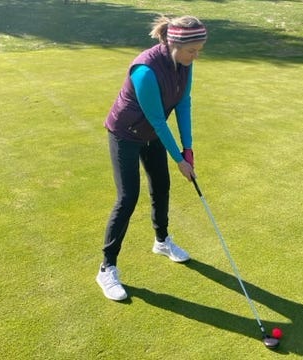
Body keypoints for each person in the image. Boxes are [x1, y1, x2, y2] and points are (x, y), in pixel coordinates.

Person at [96, 15, 207, 301]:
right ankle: (107, 267)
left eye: (199, 50)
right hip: (126, 134)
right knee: (127, 198)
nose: (196, 56)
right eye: (192, 50)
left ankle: (162, 241)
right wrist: (179, 160)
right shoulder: (145, 70)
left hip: (152, 135)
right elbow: (158, 119)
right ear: (174, 44)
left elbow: (183, 104)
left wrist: (188, 149)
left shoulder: (185, 64)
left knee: (161, 186)